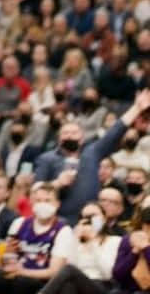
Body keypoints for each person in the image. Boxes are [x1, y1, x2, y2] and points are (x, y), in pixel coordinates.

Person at [33, 91, 150, 223]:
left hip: (92, 218)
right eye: (66, 133)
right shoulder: (47, 159)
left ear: (82, 138)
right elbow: (35, 190)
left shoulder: (91, 152)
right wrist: (57, 183)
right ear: (59, 138)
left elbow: (114, 132)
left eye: (74, 132)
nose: (70, 135)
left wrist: (136, 108)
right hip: (59, 220)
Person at [0, 182, 74, 293]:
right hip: (16, 273)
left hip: (41, 280)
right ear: (32, 203)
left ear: (57, 204)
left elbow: (54, 271)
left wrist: (22, 271)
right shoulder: (19, 223)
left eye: (47, 201)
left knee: (22, 282)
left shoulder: (63, 231)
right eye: (38, 200)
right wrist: (8, 257)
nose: (43, 204)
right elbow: (8, 255)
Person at [36, 200, 119, 294]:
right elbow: (70, 266)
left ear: (104, 218)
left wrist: (93, 242)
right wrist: (75, 240)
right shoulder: (77, 242)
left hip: (101, 285)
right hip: (77, 282)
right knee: (68, 285)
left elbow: (108, 274)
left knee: (69, 270)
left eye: (93, 216)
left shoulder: (114, 241)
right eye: (85, 217)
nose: (89, 221)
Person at [113, 202, 150, 293]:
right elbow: (117, 275)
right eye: (147, 226)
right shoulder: (129, 240)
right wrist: (134, 252)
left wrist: (146, 248)